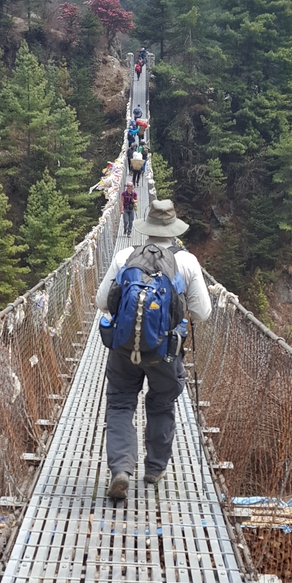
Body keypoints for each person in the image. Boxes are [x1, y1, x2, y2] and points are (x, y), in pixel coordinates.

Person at [97, 199, 212, 501]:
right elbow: (202, 313)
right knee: (161, 403)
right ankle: (155, 468)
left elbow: (102, 301)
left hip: (123, 348)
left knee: (121, 404)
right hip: (165, 350)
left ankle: (121, 468)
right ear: (174, 230)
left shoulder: (125, 255)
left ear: (146, 228)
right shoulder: (187, 261)